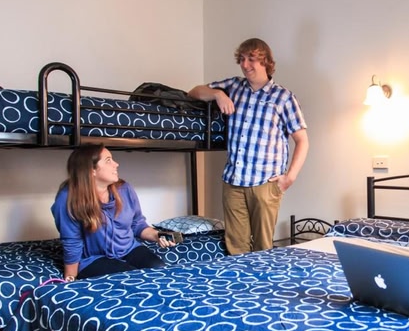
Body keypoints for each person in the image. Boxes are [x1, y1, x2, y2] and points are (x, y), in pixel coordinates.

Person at [188, 38, 309, 254]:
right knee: (236, 247)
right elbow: (194, 92)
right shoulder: (233, 86)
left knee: (264, 247)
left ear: (266, 62)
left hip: (265, 183)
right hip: (233, 181)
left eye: (251, 59)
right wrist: (218, 94)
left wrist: (289, 178)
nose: (245, 65)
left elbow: (302, 141)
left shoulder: (283, 98)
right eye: (242, 59)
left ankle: (264, 277)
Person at [51, 144, 175, 281]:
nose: (116, 164)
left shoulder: (125, 189)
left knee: (160, 272)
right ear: (91, 170)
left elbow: (137, 224)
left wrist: (157, 236)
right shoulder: (68, 199)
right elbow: (72, 241)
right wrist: (70, 279)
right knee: (132, 279)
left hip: (129, 249)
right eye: (108, 160)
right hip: (93, 258)